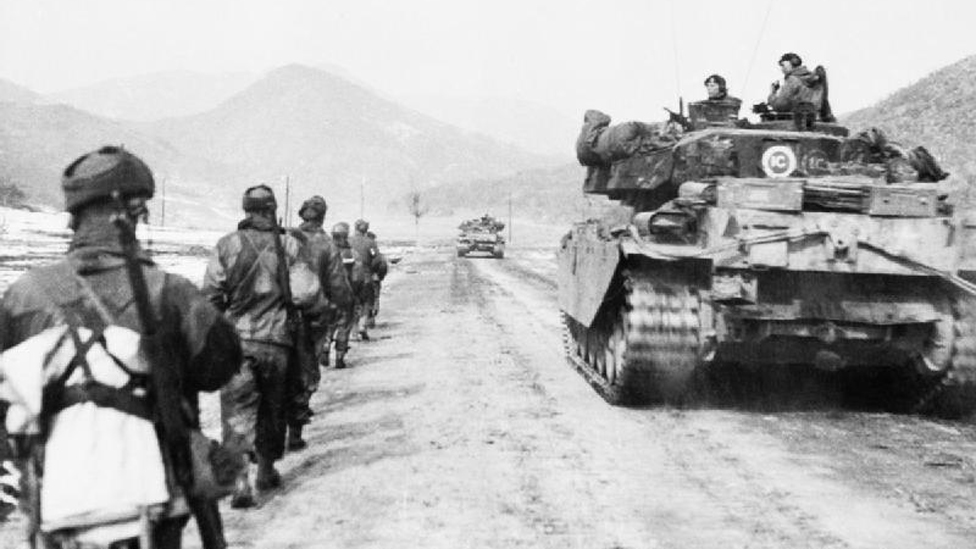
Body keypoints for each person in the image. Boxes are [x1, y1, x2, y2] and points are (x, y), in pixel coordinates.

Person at [0, 146, 242, 548]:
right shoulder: (171, 292)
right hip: (152, 503)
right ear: (135, 213)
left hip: (57, 502)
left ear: (74, 217)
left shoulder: (24, 294)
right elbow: (219, 367)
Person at [202, 184, 308, 508]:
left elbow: (210, 295)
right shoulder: (290, 245)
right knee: (272, 407)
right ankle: (265, 471)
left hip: (237, 344)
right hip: (277, 343)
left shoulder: (227, 245)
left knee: (236, 413)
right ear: (273, 209)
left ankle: (239, 482)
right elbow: (307, 293)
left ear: (245, 210)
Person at [285, 196, 352, 450]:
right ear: (323, 217)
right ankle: (295, 432)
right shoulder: (326, 244)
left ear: (303, 214)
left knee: (282, 368)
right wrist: (344, 306)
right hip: (314, 317)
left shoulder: (286, 238)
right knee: (306, 370)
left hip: (281, 315)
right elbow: (338, 285)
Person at [328, 222, 368, 369]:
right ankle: (339, 356)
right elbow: (358, 277)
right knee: (344, 326)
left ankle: (325, 348)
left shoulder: (326, 250)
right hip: (345, 295)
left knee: (329, 324)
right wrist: (355, 292)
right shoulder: (352, 254)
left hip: (327, 296)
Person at [349, 219, 378, 340]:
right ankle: (362, 325)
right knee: (366, 302)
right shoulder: (370, 243)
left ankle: (353, 330)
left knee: (352, 304)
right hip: (366, 277)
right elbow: (376, 259)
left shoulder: (348, 241)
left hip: (350, 277)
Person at [365, 231, 388, 328]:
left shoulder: (357, 249)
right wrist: (380, 276)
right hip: (374, 278)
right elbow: (382, 265)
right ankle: (370, 319)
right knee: (374, 298)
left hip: (360, 278)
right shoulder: (375, 252)